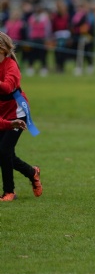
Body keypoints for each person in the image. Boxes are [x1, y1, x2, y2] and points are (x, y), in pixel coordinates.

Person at [0, 31, 42, 201]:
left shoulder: (11, 66)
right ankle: (32, 172)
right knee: (6, 153)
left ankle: (9, 192)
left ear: (2, 49)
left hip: (18, 112)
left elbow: (7, 88)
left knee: (3, 151)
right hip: (2, 113)